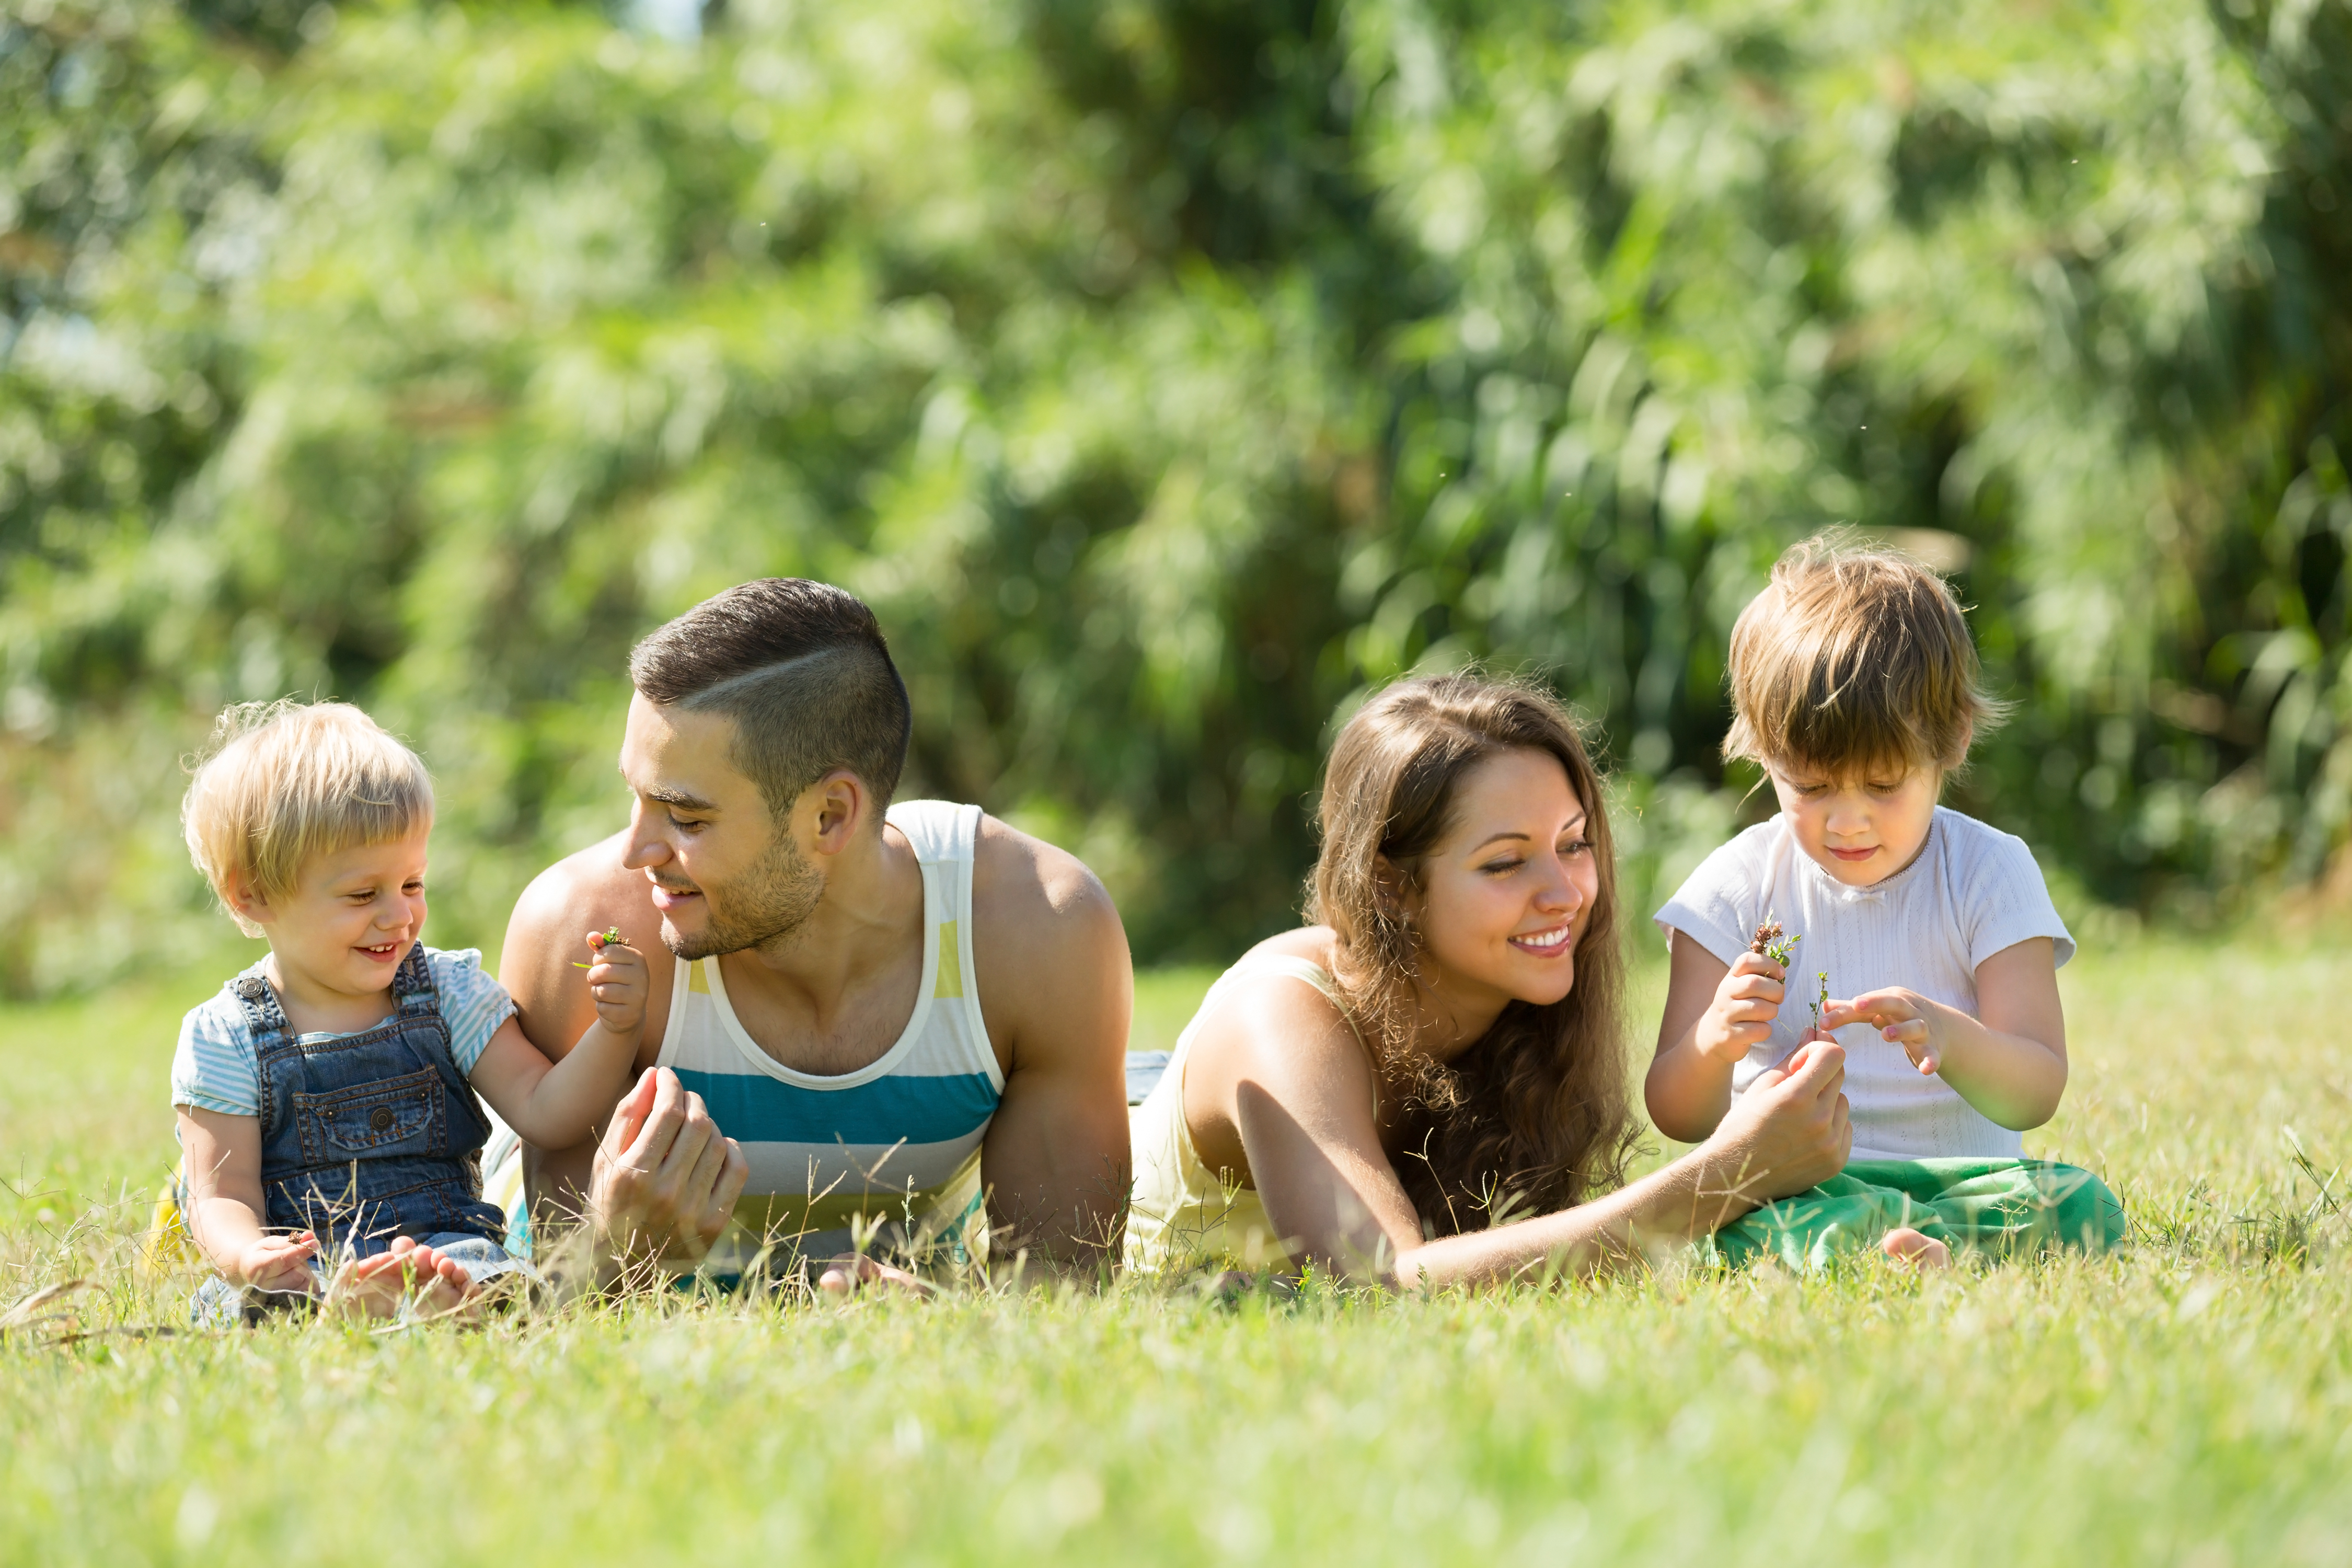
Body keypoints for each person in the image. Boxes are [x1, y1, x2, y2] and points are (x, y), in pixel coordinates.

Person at [494, 579, 1132, 1291]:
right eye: (636, 796)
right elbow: (553, 1314)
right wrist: (618, 1257)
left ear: (830, 816)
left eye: (686, 818)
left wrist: (950, 1331)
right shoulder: (582, 935)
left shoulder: (1034, 930)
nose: (634, 852)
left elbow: (1064, 1295)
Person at [1124, 673, 1855, 1287]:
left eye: (1573, 845)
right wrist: (1728, 1174)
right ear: (1391, 888)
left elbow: (1536, 1261)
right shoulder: (1280, 1017)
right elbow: (1381, 1283)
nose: (1565, 893)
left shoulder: (1517, 1011)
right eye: (1505, 863)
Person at [1646, 535, 2123, 1269]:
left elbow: (2034, 1091)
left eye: (1882, 785)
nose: (1846, 821)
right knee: (1728, 1217)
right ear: (1759, 750)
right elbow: (1678, 1114)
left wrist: (1949, 1035)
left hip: (1964, 1182)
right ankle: (1887, 1250)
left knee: (2083, 1204)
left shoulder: (1988, 873)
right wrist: (1716, 1039)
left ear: (1953, 741)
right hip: (1795, 1183)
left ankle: (1909, 1246)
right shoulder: (1736, 886)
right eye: (1809, 787)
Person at [169, 701, 648, 1320]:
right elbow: (220, 1194)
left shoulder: (447, 992)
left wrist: (617, 1029)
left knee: (497, 1283)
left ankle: (428, 1297)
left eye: (412, 884)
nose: (398, 916)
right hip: (305, 1264)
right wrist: (248, 1256)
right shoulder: (226, 1035)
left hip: (449, 1246)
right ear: (253, 893)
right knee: (252, 1306)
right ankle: (358, 1303)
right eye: (363, 894)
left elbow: (545, 1110)